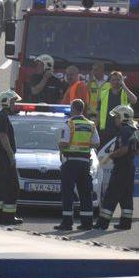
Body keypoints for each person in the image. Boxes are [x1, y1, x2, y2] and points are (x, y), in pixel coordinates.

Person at [56, 98, 99, 231]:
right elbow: (96, 143)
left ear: (73, 108)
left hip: (70, 162)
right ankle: (87, 223)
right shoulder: (91, 124)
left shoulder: (69, 124)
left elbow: (63, 143)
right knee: (85, 193)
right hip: (85, 163)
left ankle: (67, 223)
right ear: (82, 109)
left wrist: (60, 145)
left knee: (67, 193)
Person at [96, 104, 139, 230]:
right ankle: (126, 223)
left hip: (122, 167)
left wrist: (111, 155)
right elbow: (138, 151)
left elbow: (124, 149)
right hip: (129, 166)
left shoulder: (124, 131)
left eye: (117, 117)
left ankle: (102, 223)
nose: (115, 120)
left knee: (111, 194)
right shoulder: (132, 130)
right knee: (126, 195)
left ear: (123, 118)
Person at [0, 90, 23, 225]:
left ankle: (0, 216)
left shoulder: (1, 117)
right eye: (13, 102)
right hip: (4, 157)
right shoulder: (2, 117)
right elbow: (3, 137)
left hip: (0, 157)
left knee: (1, 186)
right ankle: (8, 217)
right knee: (12, 186)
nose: (14, 105)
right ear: (6, 102)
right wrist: (11, 155)